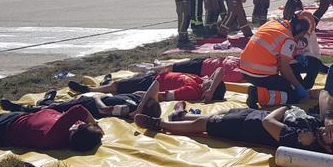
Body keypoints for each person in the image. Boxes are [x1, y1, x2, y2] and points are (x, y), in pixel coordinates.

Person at [133, 104, 333, 157]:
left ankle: (159, 124)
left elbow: (269, 122)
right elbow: (326, 96)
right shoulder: (317, 128)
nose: (329, 131)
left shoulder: (302, 140)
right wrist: (327, 118)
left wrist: (284, 108)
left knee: (201, 126)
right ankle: (181, 115)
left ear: (328, 147)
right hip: (248, 116)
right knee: (210, 117)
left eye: (331, 136)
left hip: (245, 127)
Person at [239, 13, 314, 108]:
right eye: (299, 37)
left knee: (283, 85)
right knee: (292, 94)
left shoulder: (273, 23)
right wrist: (298, 86)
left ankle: (261, 91)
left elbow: (273, 45)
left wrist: (295, 55)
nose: (298, 40)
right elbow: (284, 69)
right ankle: (258, 95)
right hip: (261, 74)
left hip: (245, 70)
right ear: (298, 30)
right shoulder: (288, 39)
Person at [1, 80, 162, 120]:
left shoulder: (130, 110)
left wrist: (98, 99)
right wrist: (142, 104)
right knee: (61, 106)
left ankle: (23, 109)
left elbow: (104, 110)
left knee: (58, 110)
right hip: (93, 101)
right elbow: (155, 86)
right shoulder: (137, 102)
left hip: (91, 106)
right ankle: (47, 101)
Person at [69, 68, 227, 103]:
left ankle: (90, 89)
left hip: (150, 84)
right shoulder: (201, 83)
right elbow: (220, 70)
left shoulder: (192, 91)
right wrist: (211, 87)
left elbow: (165, 96)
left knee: (120, 85)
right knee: (124, 82)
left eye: (211, 81)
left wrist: (145, 95)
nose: (209, 78)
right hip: (155, 76)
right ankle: (104, 86)